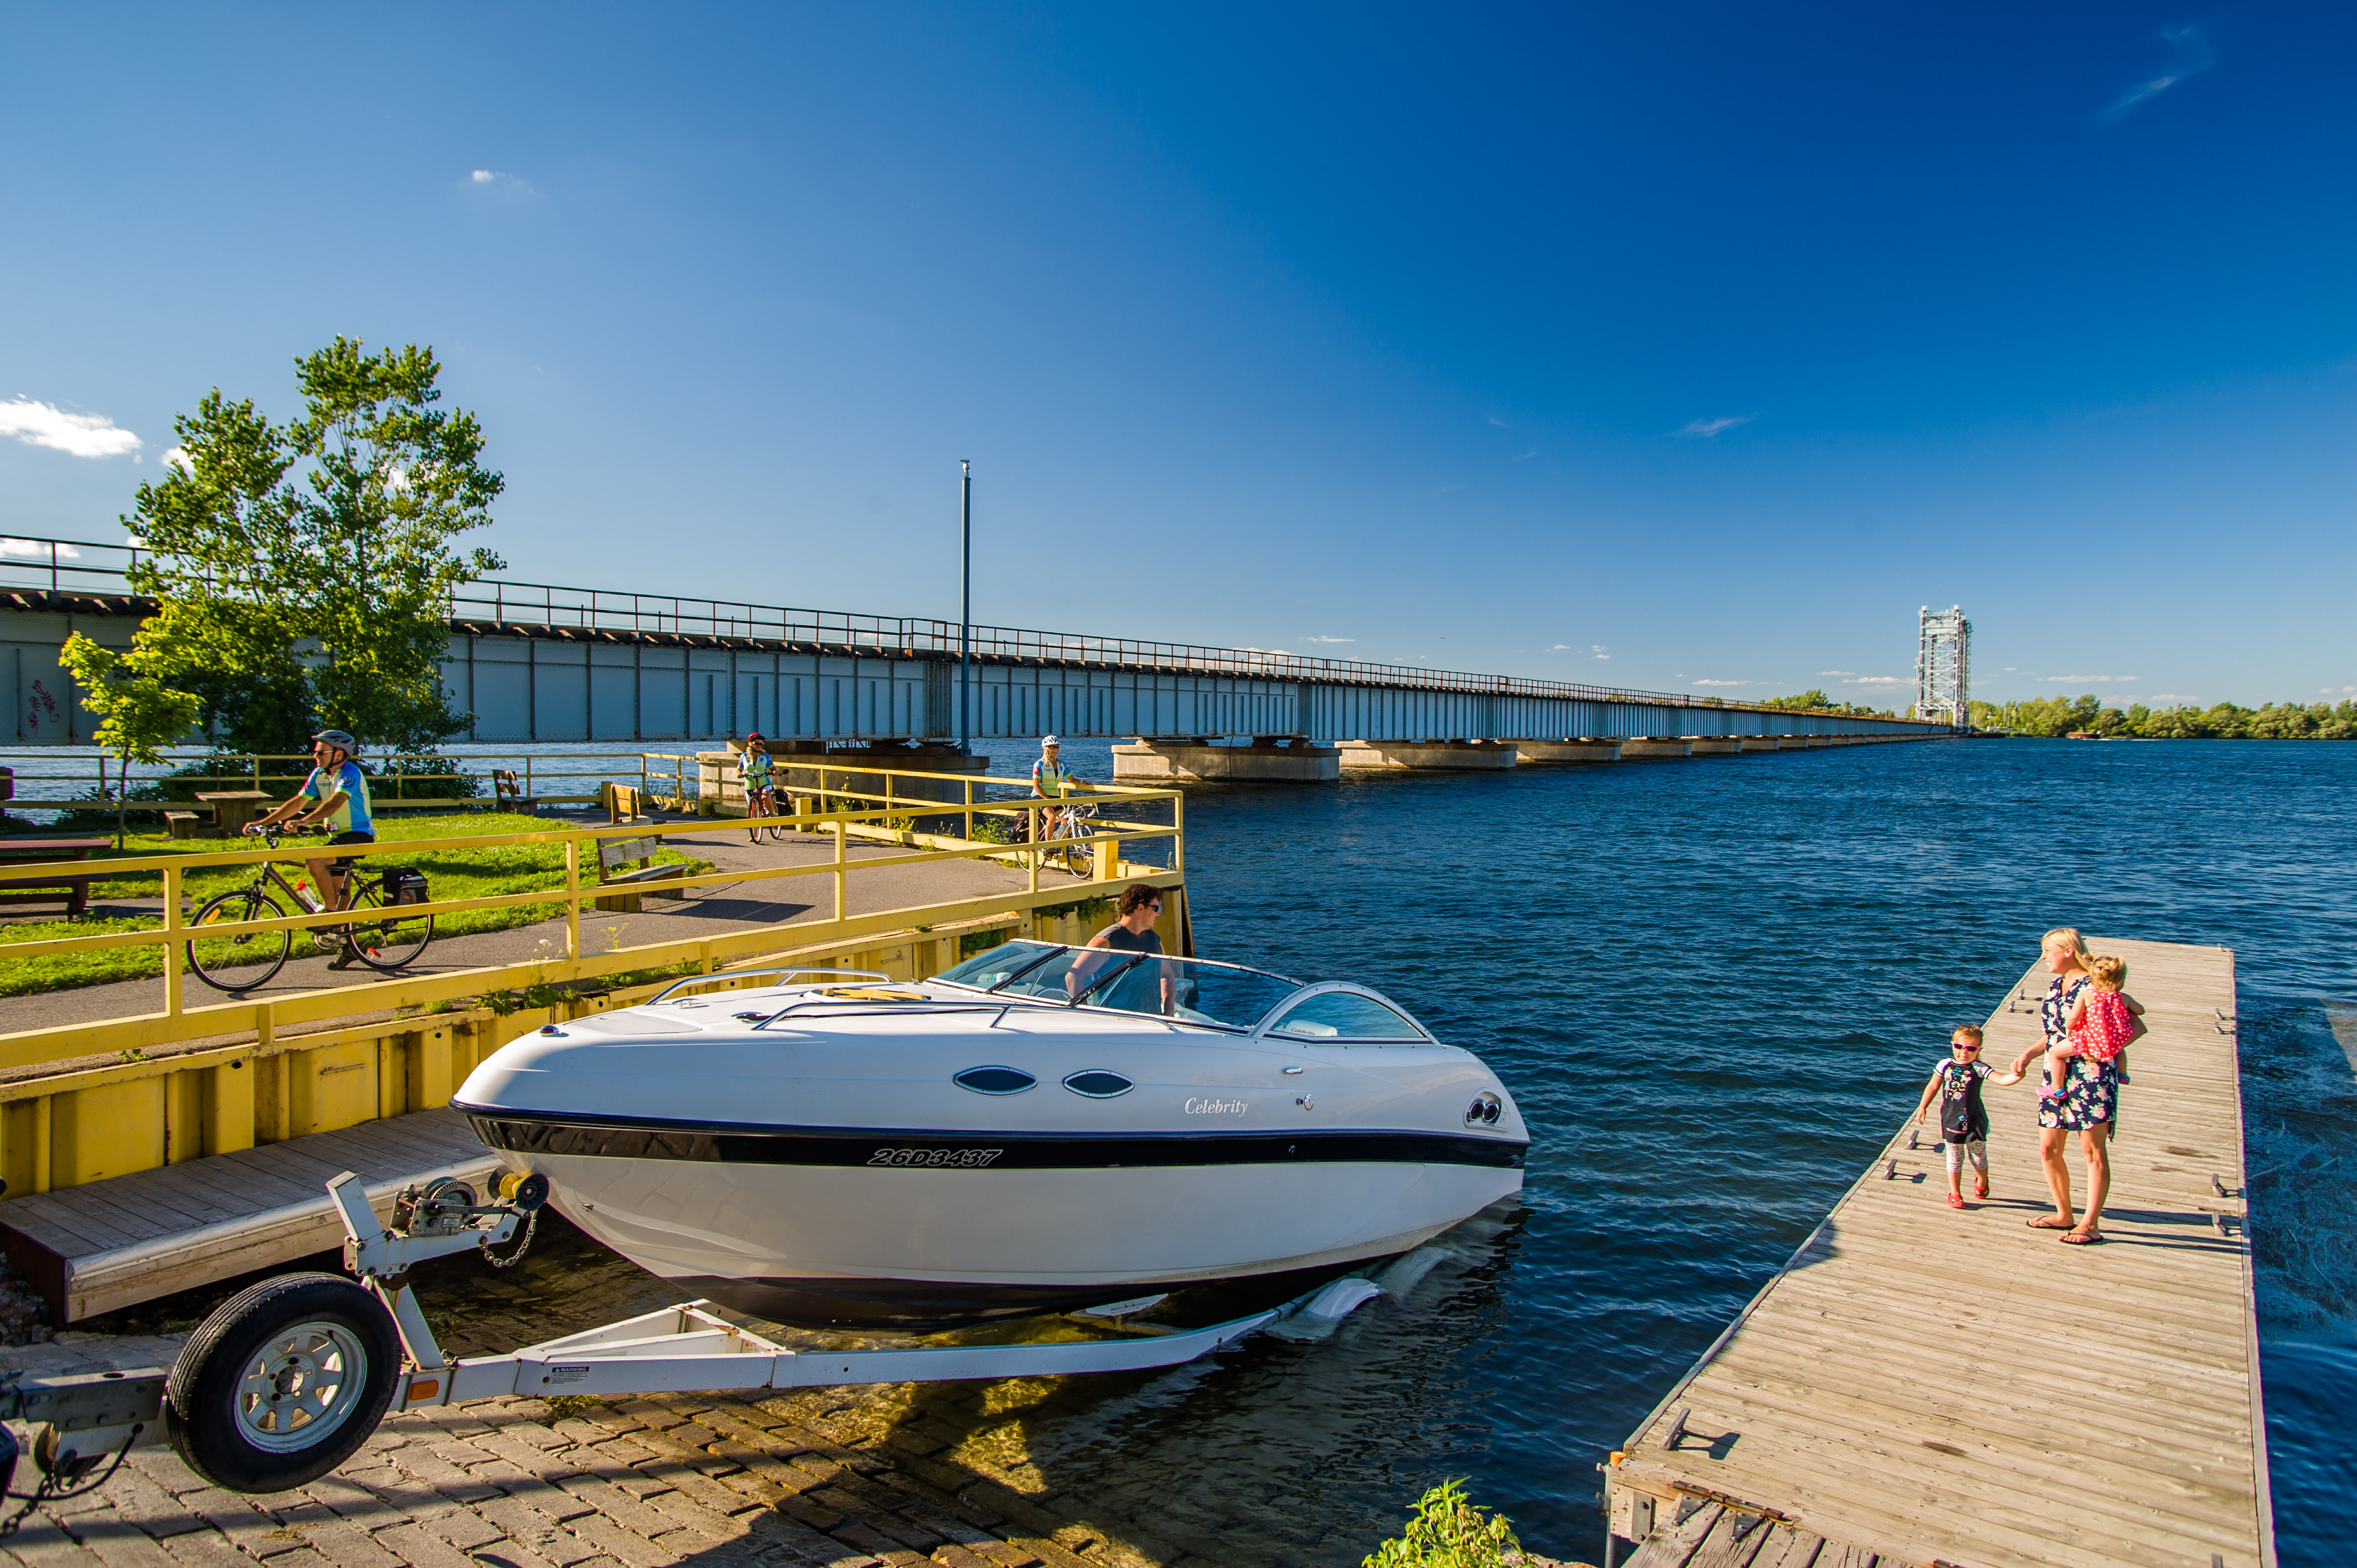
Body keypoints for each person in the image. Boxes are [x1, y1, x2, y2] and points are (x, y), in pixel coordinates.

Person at [2006, 927, 2115, 1244]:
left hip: (2091, 1076)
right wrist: (2030, 1052)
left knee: (2092, 1151)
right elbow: (2054, 1033)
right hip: (2055, 1073)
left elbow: (2126, 1028)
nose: (2043, 958)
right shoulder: (2056, 985)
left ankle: (2091, 1224)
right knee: (2048, 1148)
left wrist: (2091, 1048)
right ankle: (2064, 1214)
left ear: (2069, 951)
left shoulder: (2096, 987)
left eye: (2048, 952)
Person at [245, 730, 375, 965]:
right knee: (338, 893)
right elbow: (298, 802)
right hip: (338, 837)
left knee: (314, 861)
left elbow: (337, 802)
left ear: (339, 754)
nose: (316, 756)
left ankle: (331, 916)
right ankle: (351, 945)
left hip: (358, 835)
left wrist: (305, 821)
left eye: (321, 751)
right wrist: (262, 823)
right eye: (315, 752)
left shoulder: (350, 773)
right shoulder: (320, 774)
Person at [1913, 1025, 2024, 1209]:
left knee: (1978, 1157)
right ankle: (1955, 1193)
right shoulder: (1944, 1065)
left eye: (1971, 1049)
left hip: (1975, 1120)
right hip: (1951, 1119)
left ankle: (1982, 1180)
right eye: (1959, 1047)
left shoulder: (1979, 1068)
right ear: (1953, 1046)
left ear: (1978, 1050)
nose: (1964, 1053)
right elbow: (1933, 1086)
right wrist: (1923, 1106)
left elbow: (2002, 1080)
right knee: (1954, 1157)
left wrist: (2018, 1075)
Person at [1072, 883, 1176, 1014]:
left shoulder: (1154, 939)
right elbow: (1074, 977)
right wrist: (1087, 1016)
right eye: (1156, 908)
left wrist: (1169, 1012)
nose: (1158, 914)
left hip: (1152, 1025)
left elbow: (1167, 975)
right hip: (1117, 1027)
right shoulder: (1107, 941)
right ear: (1141, 908)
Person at [1031, 736, 1086, 840]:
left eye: (1056, 747)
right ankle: (1048, 846)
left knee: (1068, 819)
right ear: (1045, 748)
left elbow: (1072, 780)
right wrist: (1047, 799)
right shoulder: (1039, 765)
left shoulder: (1061, 764)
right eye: (1051, 747)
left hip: (1055, 795)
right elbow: (1036, 786)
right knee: (1051, 817)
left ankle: (1058, 841)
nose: (1054, 750)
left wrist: (1083, 782)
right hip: (1041, 796)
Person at [740, 733, 775, 842]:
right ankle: (755, 835)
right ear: (751, 744)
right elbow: (739, 767)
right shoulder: (744, 756)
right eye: (757, 743)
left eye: (761, 744)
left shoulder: (765, 756)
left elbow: (772, 766)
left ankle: (772, 814)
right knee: (753, 810)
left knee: (765, 797)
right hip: (750, 783)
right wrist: (739, 773)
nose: (759, 745)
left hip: (764, 781)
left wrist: (775, 771)